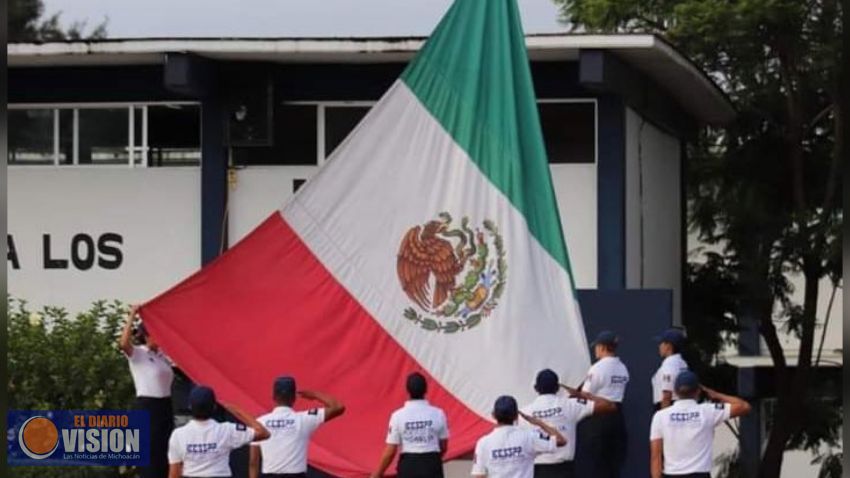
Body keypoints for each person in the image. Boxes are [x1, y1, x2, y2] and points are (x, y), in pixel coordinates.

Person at [649, 371, 751, 478]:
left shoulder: (660, 416)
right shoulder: (707, 411)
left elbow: (656, 457)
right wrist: (716, 395)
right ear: (698, 391)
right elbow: (744, 406)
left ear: (675, 391)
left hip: (672, 475)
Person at [521, 369, 617, 478]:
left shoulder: (524, 413)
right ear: (557, 388)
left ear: (536, 388)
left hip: (538, 471)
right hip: (564, 471)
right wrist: (581, 394)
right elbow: (610, 406)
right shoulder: (570, 405)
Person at [249, 376, 346, 478]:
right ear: (294, 398)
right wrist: (314, 395)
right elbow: (338, 407)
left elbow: (253, 461)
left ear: (273, 397)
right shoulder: (304, 419)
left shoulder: (259, 422)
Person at [119, 304, 175, 478]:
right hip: (148, 406)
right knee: (150, 453)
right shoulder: (139, 354)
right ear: (147, 335)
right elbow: (123, 344)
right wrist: (132, 315)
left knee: (166, 451)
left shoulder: (163, 356)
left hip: (165, 406)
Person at [168, 385, 270, 478]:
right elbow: (263, 433)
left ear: (190, 407)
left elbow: (174, 474)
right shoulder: (227, 430)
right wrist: (238, 411)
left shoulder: (178, 435)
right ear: (214, 407)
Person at [370, 372, 449, 478]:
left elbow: (390, 451)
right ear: (426, 390)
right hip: (432, 464)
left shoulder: (397, 416)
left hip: (409, 465)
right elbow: (443, 446)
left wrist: (377, 474)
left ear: (407, 391)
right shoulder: (438, 413)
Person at [471, 395, 567, 478]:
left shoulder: (483, 443)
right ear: (516, 416)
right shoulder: (529, 437)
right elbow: (561, 441)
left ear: (493, 415)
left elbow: (479, 475)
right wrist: (539, 423)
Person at [652, 329, 689, 410]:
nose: (659, 346)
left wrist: (664, 419)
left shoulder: (669, 364)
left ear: (669, 345)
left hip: (669, 406)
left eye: (661, 343)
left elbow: (667, 395)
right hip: (681, 407)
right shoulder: (682, 363)